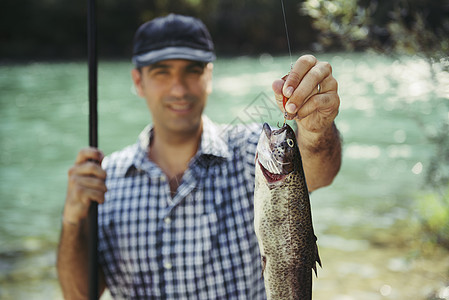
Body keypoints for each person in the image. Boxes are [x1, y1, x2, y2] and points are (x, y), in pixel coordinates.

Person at [57, 14, 341, 299]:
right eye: (162, 72)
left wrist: (315, 133)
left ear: (209, 76)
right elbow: (80, 295)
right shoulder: (106, 179)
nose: (179, 89)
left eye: (192, 71)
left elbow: (319, 174)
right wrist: (72, 220)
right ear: (138, 81)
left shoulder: (248, 150)